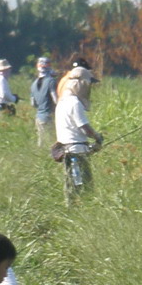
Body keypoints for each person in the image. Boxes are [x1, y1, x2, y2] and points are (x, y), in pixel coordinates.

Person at [54, 59, 103, 201]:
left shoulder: (61, 102)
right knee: (84, 187)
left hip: (66, 151)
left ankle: (72, 209)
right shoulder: (75, 103)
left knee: (71, 186)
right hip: (77, 152)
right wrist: (97, 137)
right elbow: (84, 128)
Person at [30, 56, 58, 146]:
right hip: (48, 116)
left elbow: (33, 104)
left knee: (41, 141)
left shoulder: (33, 84)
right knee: (51, 141)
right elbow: (55, 99)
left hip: (38, 117)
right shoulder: (51, 81)